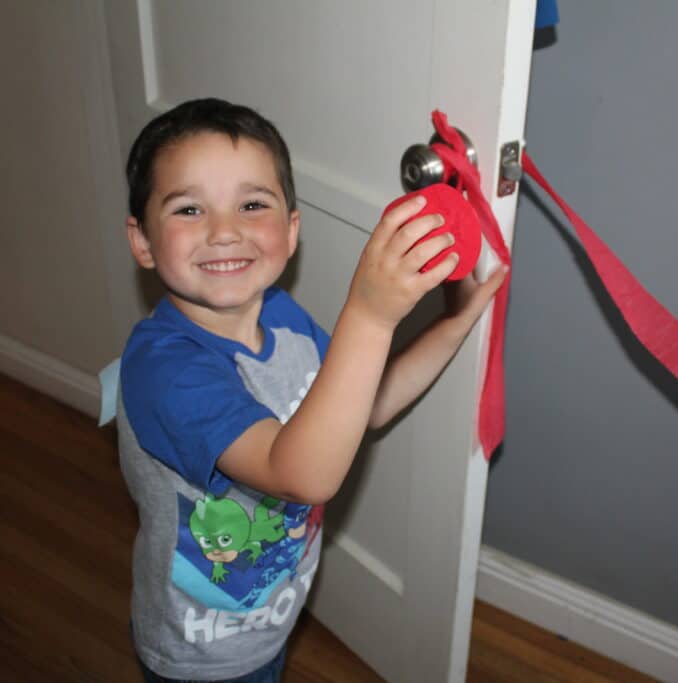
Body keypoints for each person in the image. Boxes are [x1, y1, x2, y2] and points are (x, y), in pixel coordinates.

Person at [116, 97, 506, 682]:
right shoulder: (163, 369)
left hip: (272, 619)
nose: (226, 231)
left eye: (252, 204)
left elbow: (364, 405)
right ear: (143, 241)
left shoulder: (284, 318)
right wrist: (370, 318)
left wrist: (454, 323)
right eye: (190, 209)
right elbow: (303, 473)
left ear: (291, 230)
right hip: (201, 656)